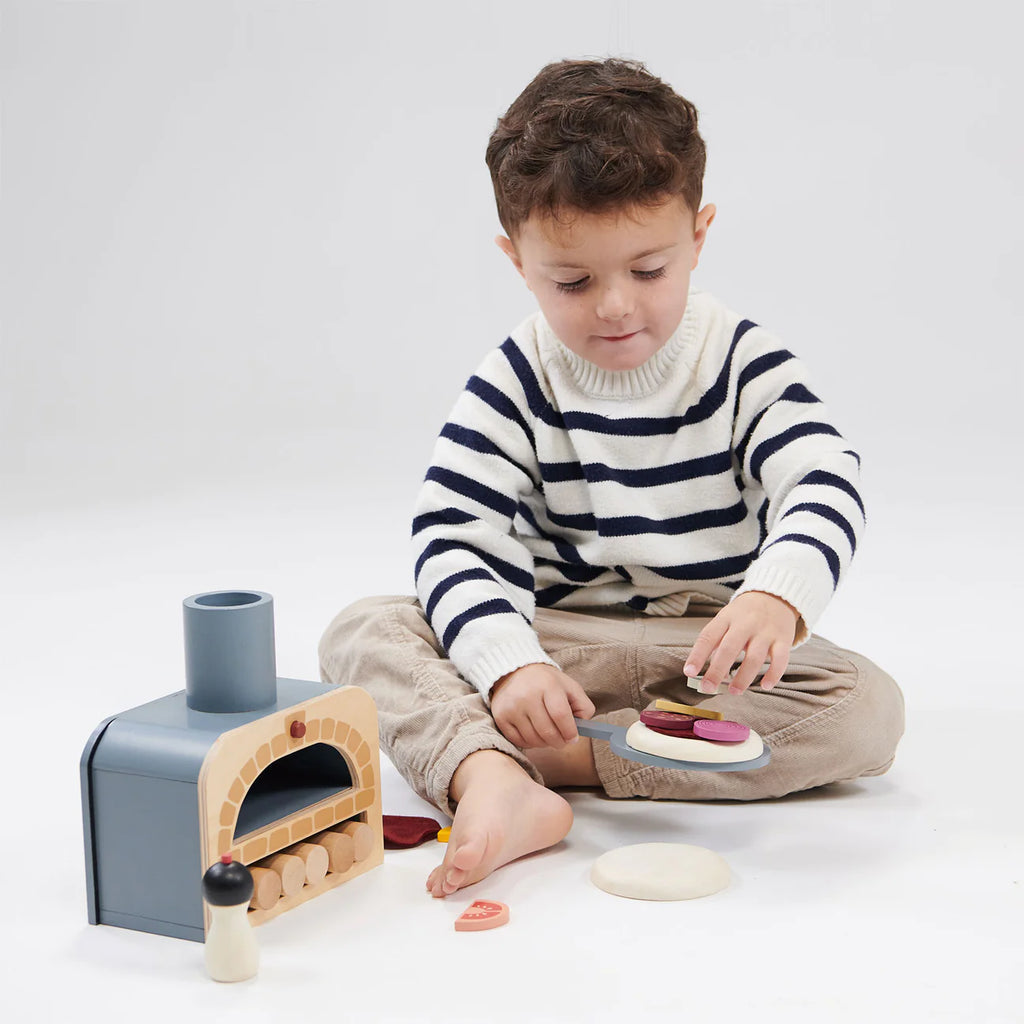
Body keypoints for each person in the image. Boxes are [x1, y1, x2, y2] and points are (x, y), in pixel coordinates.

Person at [319, 57, 905, 899]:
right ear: (516, 260)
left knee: (864, 710)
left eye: (649, 269)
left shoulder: (742, 363)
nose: (616, 307)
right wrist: (511, 666)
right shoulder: (515, 379)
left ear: (698, 236)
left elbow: (822, 475)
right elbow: (454, 534)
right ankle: (496, 773)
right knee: (363, 628)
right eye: (572, 281)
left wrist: (775, 598)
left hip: (704, 658)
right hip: (555, 646)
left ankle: (529, 759)